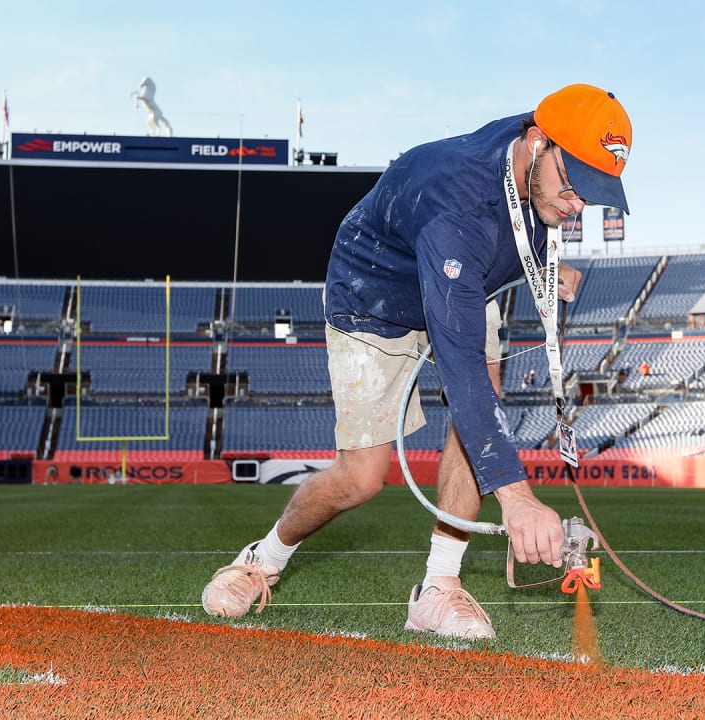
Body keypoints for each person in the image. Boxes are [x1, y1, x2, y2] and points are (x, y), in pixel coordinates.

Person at [201, 84, 632, 639]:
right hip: (373, 299)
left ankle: (439, 587)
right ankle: (263, 559)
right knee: (360, 479)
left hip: (459, 283)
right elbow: (461, 368)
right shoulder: (456, 199)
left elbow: (516, 227)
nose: (576, 208)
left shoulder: (533, 154)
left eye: (590, 197)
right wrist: (518, 501)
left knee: (483, 411)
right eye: (574, 188)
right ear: (537, 142)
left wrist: (546, 264)